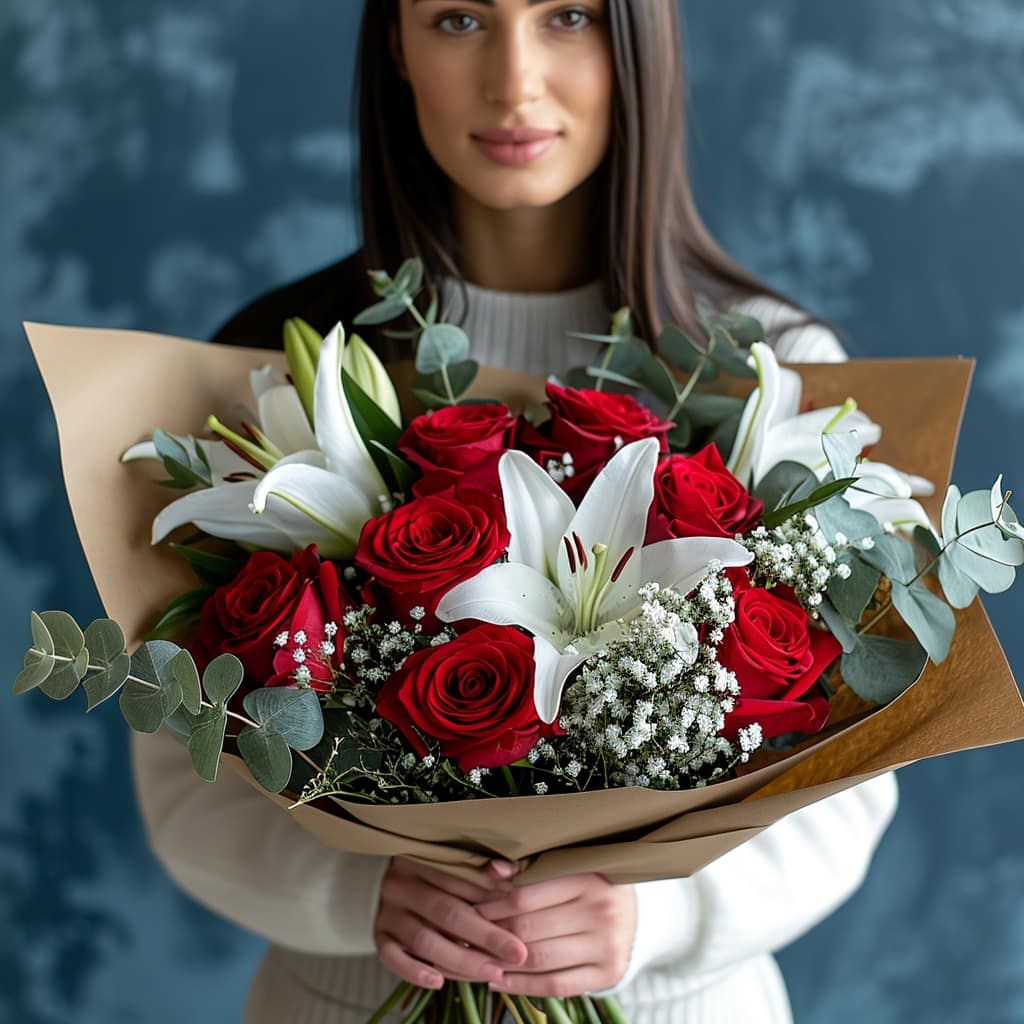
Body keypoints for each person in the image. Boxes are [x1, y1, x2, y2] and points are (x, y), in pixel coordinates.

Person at [131, 2, 899, 1021]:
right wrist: (361, 892)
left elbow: (851, 780)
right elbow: (183, 774)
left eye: (569, 16)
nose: (515, 81)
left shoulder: (773, 365)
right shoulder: (268, 368)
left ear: (640, 43)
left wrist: (653, 919)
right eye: (457, 19)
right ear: (395, 51)